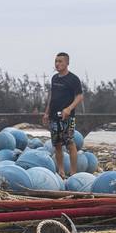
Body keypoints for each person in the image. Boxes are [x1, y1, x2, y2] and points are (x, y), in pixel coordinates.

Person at [42, 51, 83, 179]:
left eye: (60, 61)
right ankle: (61, 172)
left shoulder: (73, 79)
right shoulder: (54, 78)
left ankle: (73, 173)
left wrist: (69, 108)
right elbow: (51, 96)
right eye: (56, 61)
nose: (57, 64)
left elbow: (80, 96)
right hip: (54, 116)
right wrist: (47, 112)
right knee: (57, 144)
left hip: (68, 117)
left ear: (67, 63)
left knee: (70, 143)